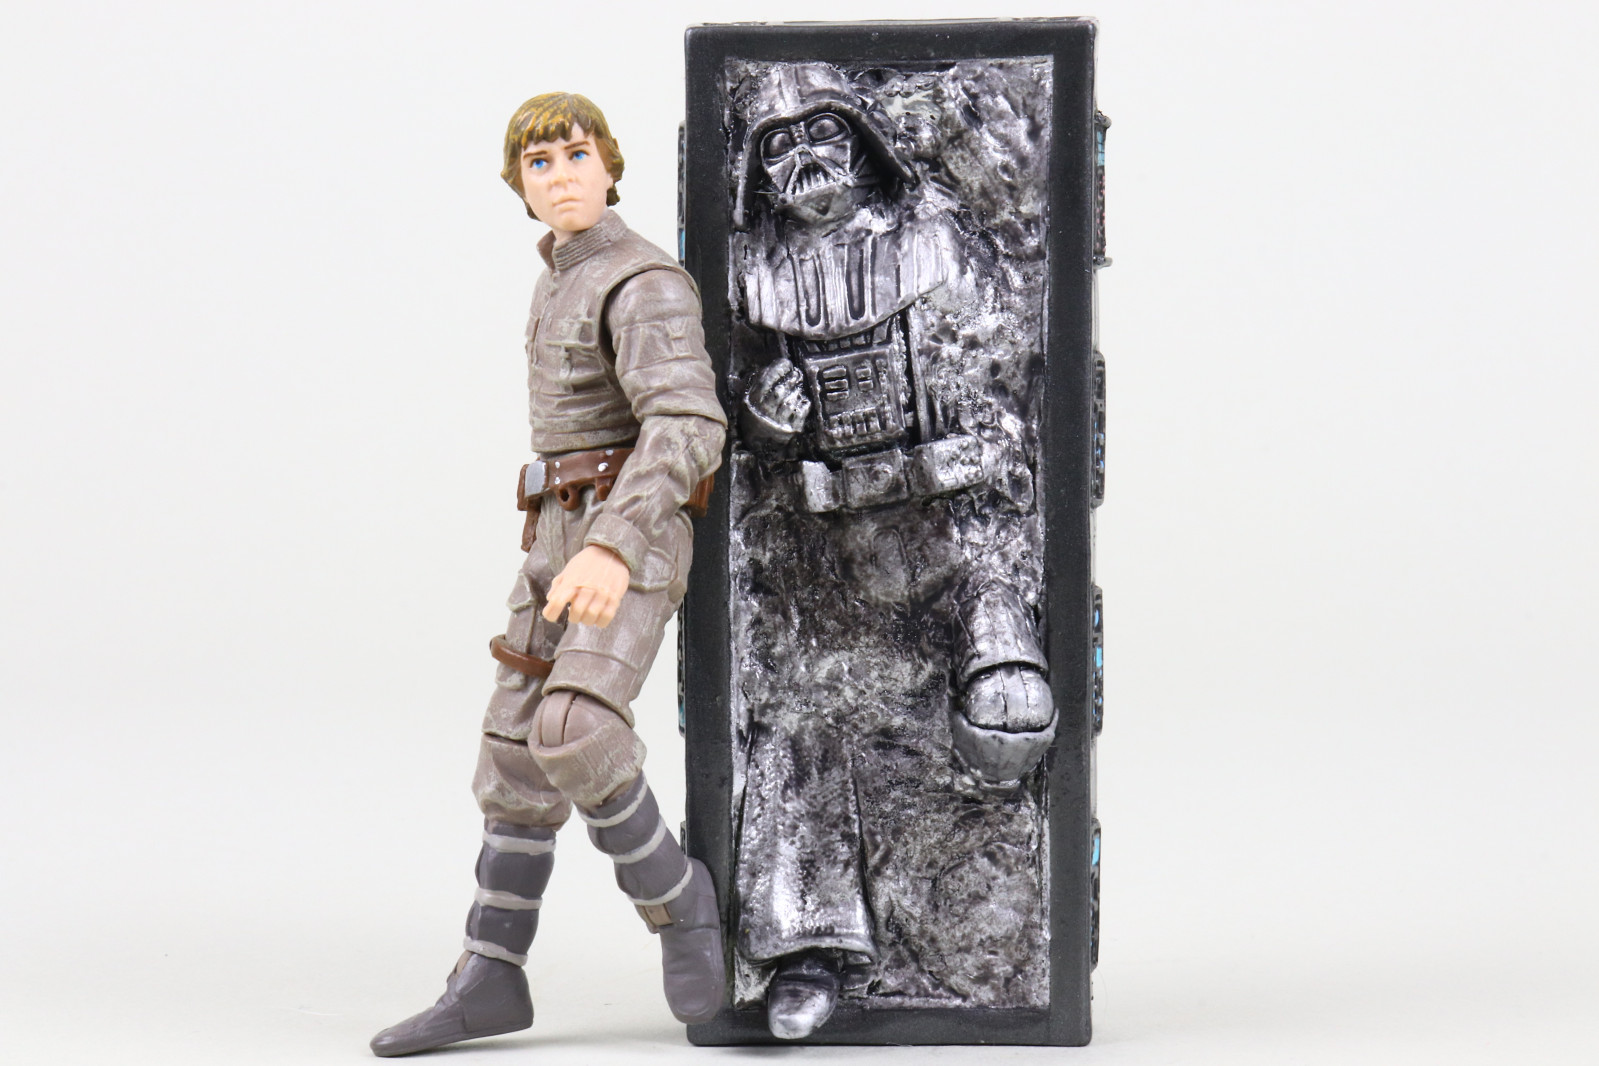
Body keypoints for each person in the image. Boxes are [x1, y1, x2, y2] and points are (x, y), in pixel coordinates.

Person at [370, 92, 729, 1058]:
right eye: (539, 164)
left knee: (576, 729)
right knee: (513, 754)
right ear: (519, 186)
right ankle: (491, 973)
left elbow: (686, 423)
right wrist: (568, 544)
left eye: (576, 155)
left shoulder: (643, 280)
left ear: (610, 165)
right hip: (553, 535)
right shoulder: (559, 276)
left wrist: (614, 544)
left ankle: (678, 903)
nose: (561, 176)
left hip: (630, 532)